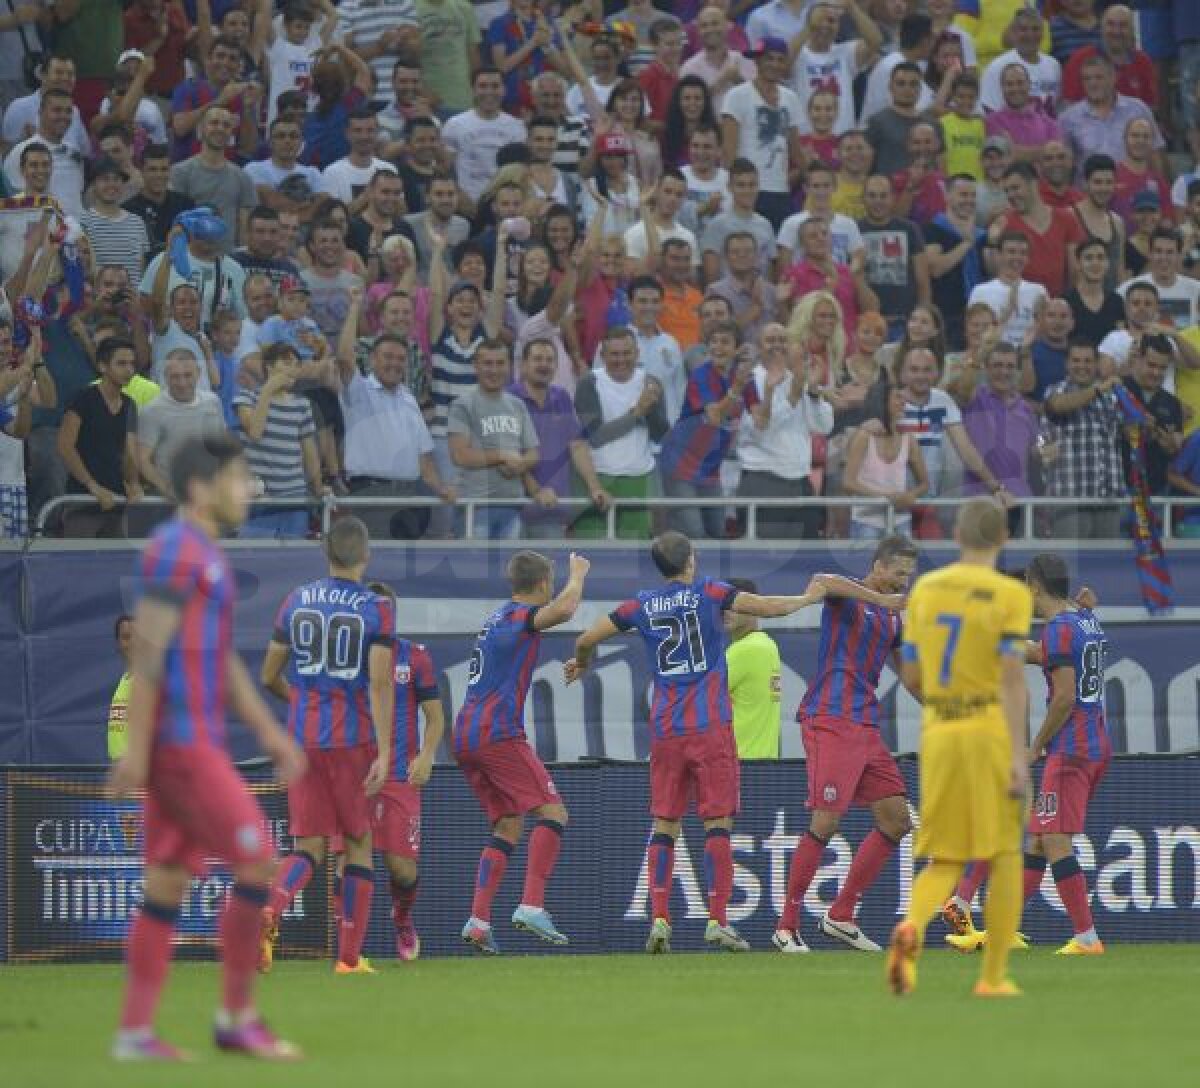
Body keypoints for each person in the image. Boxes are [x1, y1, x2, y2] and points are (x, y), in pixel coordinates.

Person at [108, 433, 304, 1061]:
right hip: (182, 749)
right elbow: (149, 652)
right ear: (201, 488)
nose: (247, 489)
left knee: (165, 885)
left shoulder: (203, 555)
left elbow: (218, 662)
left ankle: (136, 1032)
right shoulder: (177, 552)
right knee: (256, 861)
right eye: (238, 478)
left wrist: (271, 733)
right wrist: (137, 754)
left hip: (190, 744)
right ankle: (236, 1018)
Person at [566, 531, 830, 953]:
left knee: (665, 824)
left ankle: (658, 919)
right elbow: (770, 608)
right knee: (717, 823)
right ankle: (718, 921)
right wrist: (809, 597)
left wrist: (582, 664)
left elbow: (584, 640)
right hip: (709, 728)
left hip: (666, 729)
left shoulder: (641, 604)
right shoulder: (711, 591)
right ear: (690, 561)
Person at [886, 498, 1032, 998]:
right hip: (987, 726)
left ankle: (911, 928)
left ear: (957, 537)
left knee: (944, 858)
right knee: (1006, 850)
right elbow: (1013, 679)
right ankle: (992, 978)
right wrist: (1019, 756)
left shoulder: (924, 591)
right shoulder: (1010, 594)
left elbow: (909, 672)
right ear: (1003, 539)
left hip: (939, 731)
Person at [943, 553, 1110, 959]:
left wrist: (1036, 745)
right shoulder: (1085, 619)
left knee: (1052, 839)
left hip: (1071, 748)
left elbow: (1065, 695)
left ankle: (1086, 936)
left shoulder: (1058, 629)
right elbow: (1042, 653)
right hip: (1094, 742)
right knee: (1037, 838)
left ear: (1034, 586)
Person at [258, 516, 396, 975]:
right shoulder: (376, 609)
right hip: (351, 738)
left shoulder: (295, 601)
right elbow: (379, 683)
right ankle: (349, 959)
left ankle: (271, 910)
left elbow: (268, 675)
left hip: (303, 738)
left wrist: (300, 704)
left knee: (308, 846)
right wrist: (384, 748)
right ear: (366, 554)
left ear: (326, 553)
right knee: (358, 843)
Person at [773, 537, 915, 953]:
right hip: (830, 718)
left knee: (896, 820)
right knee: (826, 821)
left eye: (909, 575)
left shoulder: (894, 621)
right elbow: (821, 581)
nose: (903, 582)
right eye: (898, 573)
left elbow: (911, 678)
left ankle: (841, 914)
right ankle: (786, 925)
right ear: (878, 566)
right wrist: (880, 598)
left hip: (865, 725)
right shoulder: (848, 597)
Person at [456, 550, 591, 953]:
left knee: (507, 824)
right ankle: (532, 905)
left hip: (466, 733)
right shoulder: (518, 617)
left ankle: (478, 920)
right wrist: (579, 573)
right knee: (552, 811)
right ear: (543, 584)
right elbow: (566, 610)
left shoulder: (496, 618)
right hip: (496, 731)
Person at [363, 579, 443, 963]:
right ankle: (348, 947)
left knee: (403, 871)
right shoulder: (347, 659)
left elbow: (435, 717)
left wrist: (427, 753)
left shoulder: (414, 658)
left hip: (398, 776)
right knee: (344, 864)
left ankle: (403, 917)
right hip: (355, 776)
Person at [736, 321, 834, 540]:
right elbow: (759, 431)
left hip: (800, 480)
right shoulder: (750, 381)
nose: (777, 346)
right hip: (764, 479)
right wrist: (791, 397)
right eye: (770, 340)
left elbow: (824, 426)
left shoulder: (798, 379)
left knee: (807, 559)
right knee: (768, 559)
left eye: (783, 340)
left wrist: (814, 392)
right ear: (759, 346)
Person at [573, 326, 669, 540]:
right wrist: (637, 413)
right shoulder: (588, 383)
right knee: (590, 549)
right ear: (602, 355)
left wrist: (650, 409)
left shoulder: (651, 383)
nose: (621, 360)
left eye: (627, 353)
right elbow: (596, 437)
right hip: (598, 475)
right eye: (614, 354)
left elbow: (660, 433)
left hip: (638, 476)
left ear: (637, 353)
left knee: (634, 553)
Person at [233, 343, 323, 540]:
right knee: (254, 558)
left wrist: (318, 487)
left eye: (297, 364)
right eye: (286, 362)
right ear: (269, 366)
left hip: (294, 496)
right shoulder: (246, 397)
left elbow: (310, 452)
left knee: (291, 562)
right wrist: (267, 391)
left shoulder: (302, 405)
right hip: (257, 499)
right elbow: (255, 433)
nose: (293, 368)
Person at [56, 337, 143, 538]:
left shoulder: (130, 405)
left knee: (118, 567)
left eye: (132, 364)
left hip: (117, 502)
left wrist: (134, 482)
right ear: (102, 366)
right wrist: (93, 487)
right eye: (121, 363)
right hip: (82, 501)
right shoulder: (83, 398)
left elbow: (129, 451)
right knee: (77, 566)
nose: (129, 370)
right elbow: (64, 446)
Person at [1042, 339, 1126, 539]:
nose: (1082, 366)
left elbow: (1131, 431)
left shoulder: (1113, 396)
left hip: (1107, 497)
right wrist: (1099, 389)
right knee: (1069, 566)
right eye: (1076, 360)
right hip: (1068, 499)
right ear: (1067, 364)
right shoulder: (1055, 391)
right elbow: (1059, 406)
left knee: (1106, 567)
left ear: (1096, 364)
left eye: (1088, 361)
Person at [719, 38, 804, 230]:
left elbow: (795, 149)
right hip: (748, 189)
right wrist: (729, 190)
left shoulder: (791, 98)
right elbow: (728, 151)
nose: (774, 64)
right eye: (769, 58)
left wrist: (811, 174)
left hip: (780, 189)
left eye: (780, 59)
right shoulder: (737, 96)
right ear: (757, 61)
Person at [441, 68, 526, 208]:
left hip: (504, 207)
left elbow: (519, 174)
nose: (489, 92)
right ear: (473, 89)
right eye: (483, 86)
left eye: (495, 86)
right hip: (465, 205)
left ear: (504, 89)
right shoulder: (455, 124)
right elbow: (446, 170)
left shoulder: (516, 127)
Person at [724, 576, 782, 760]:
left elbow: (695, 700)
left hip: (740, 764)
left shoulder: (744, 650)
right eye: (722, 605)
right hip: (762, 763)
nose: (726, 611)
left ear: (755, 608)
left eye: (733, 605)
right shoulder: (768, 645)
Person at [107, 614, 134, 762]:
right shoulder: (125, 680)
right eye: (126, 637)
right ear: (118, 643)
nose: (133, 643)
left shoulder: (146, 684)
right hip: (122, 771)